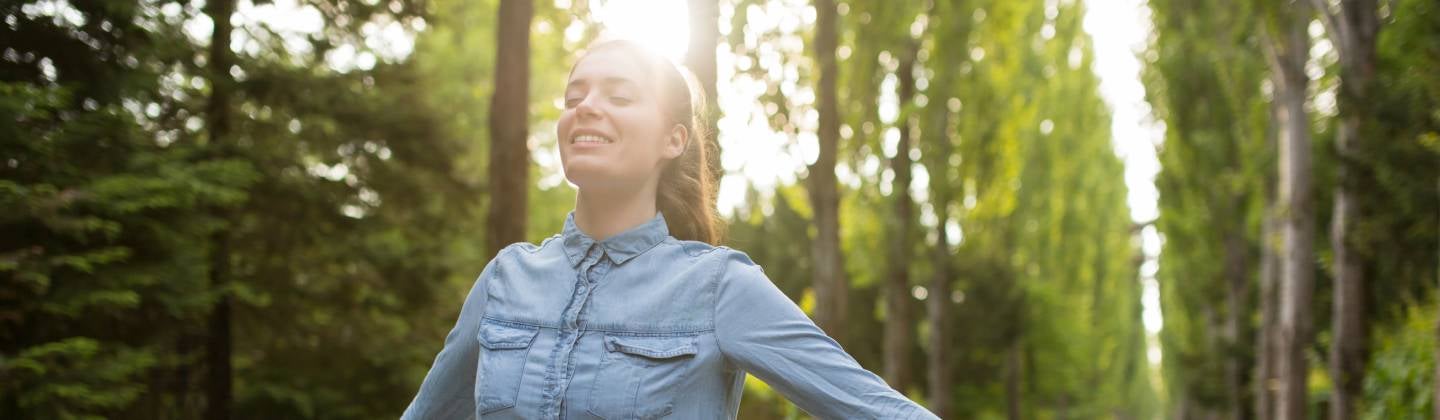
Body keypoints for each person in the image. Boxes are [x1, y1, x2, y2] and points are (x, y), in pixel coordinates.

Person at [401, 39, 938, 420]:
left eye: (619, 96)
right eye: (574, 98)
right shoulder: (505, 279)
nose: (586, 108)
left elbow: (875, 408)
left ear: (673, 139)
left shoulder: (718, 287)